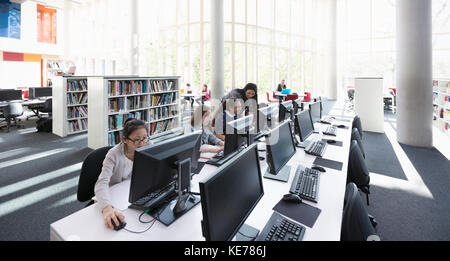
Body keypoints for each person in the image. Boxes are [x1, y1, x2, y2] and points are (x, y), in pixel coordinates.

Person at [94, 118, 151, 230]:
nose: (142, 143)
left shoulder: (148, 145)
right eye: (137, 140)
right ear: (125, 139)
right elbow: (101, 183)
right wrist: (106, 208)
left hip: (132, 190)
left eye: (144, 138)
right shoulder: (113, 154)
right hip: (114, 194)